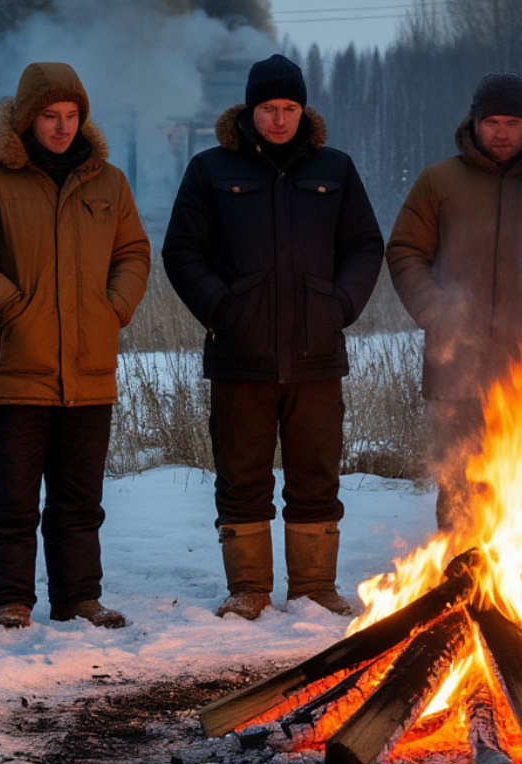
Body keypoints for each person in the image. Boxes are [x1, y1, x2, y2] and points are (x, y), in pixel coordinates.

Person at [162, 54, 384, 620]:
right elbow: (182, 251)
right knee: (241, 475)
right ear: (249, 110)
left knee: (316, 474)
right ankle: (249, 589)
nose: (279, 119)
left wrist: (339, 306)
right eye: (268, 108)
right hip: (241, 355)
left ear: (303, 110)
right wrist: (222, 308)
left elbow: (364, 245)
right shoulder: (211, 169)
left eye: (289, 108)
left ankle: (314, 587)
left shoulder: (335, 169)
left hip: (316, 354)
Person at [0, 62, 149, 630]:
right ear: (27, 119)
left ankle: (79, 598)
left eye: (72, 115)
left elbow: (132, 252)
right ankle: (10, 601)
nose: (62, 127)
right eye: (51, 116)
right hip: (13, 367)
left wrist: (114, 306)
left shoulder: (108, 183)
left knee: (80, 500)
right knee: (10, 500)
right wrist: (13, 308)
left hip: (88, 368)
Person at [386, 71, 522, 533]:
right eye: (491, 122)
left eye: (512, 122)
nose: (501, 132)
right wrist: (437, 312)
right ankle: (459, 570)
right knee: (460, 485)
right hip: (457, 366)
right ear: (475, 122)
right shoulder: (439, 181)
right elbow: (405, 250)